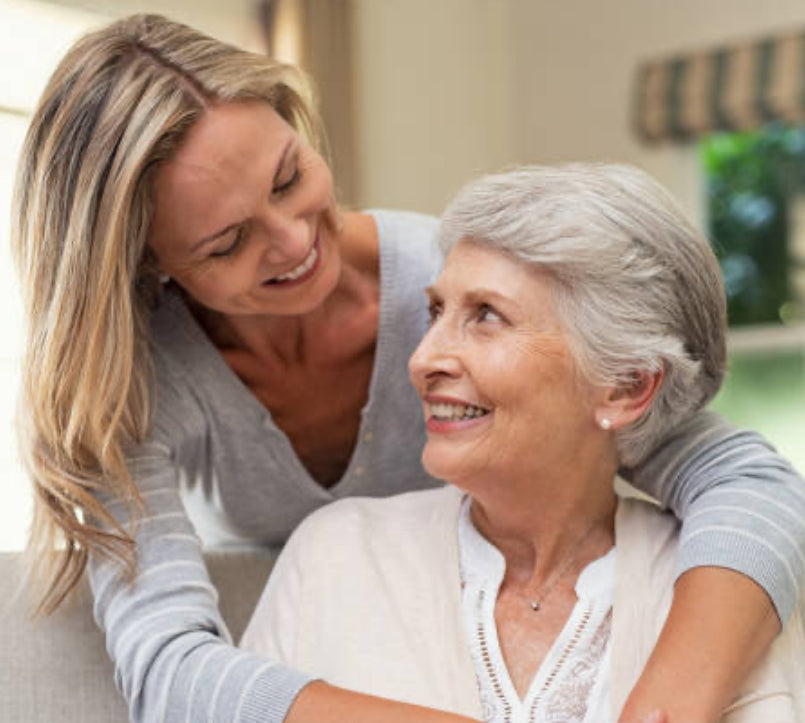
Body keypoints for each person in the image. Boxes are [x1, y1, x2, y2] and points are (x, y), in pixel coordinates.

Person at [10, 13, 804, 723]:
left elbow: (740, 476)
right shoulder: (129, 384)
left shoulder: (451, 278)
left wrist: (670, 701)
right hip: (312, 642)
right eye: (226, 242)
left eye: (289, 178)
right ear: (150, 264)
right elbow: (169, 673)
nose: (292, 241)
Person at [241, 164, 805, 722]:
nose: (422, 359)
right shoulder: (336, 555)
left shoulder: (727, 593)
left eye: (487, 316)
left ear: (627, 386)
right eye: (436, 311)